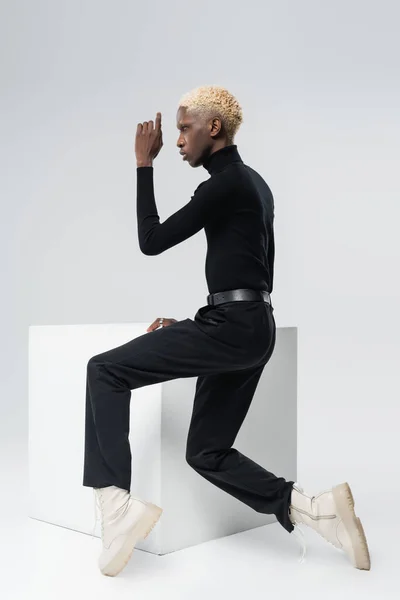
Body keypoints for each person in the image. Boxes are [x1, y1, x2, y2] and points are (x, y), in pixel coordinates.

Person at [82, 85, 371, 577]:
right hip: (253, 326)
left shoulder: (225, 184)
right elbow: (257, 269)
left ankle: (116, 510)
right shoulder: (255, 184)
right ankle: (316, 511)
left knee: (104, 370)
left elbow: (150, 241)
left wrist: (142, 164)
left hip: (232, 328)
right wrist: (198, 324)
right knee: (207, 452)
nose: (176, 140)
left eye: (183, 128)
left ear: (212, 127)